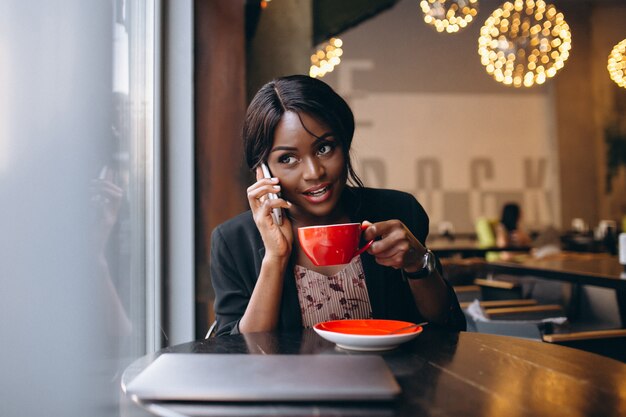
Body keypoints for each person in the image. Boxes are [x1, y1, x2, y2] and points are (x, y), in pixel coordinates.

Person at [210, 75, 465, 336]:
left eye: (324, 148)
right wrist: (275, 258)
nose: (313, 172)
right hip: (287, 379)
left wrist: (416, 263)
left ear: (344, 145)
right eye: (287, 158)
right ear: (263, 171)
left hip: (390, 376)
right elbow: (236, 354)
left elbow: (449, 325)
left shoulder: (397, 211)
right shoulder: (234, 242)